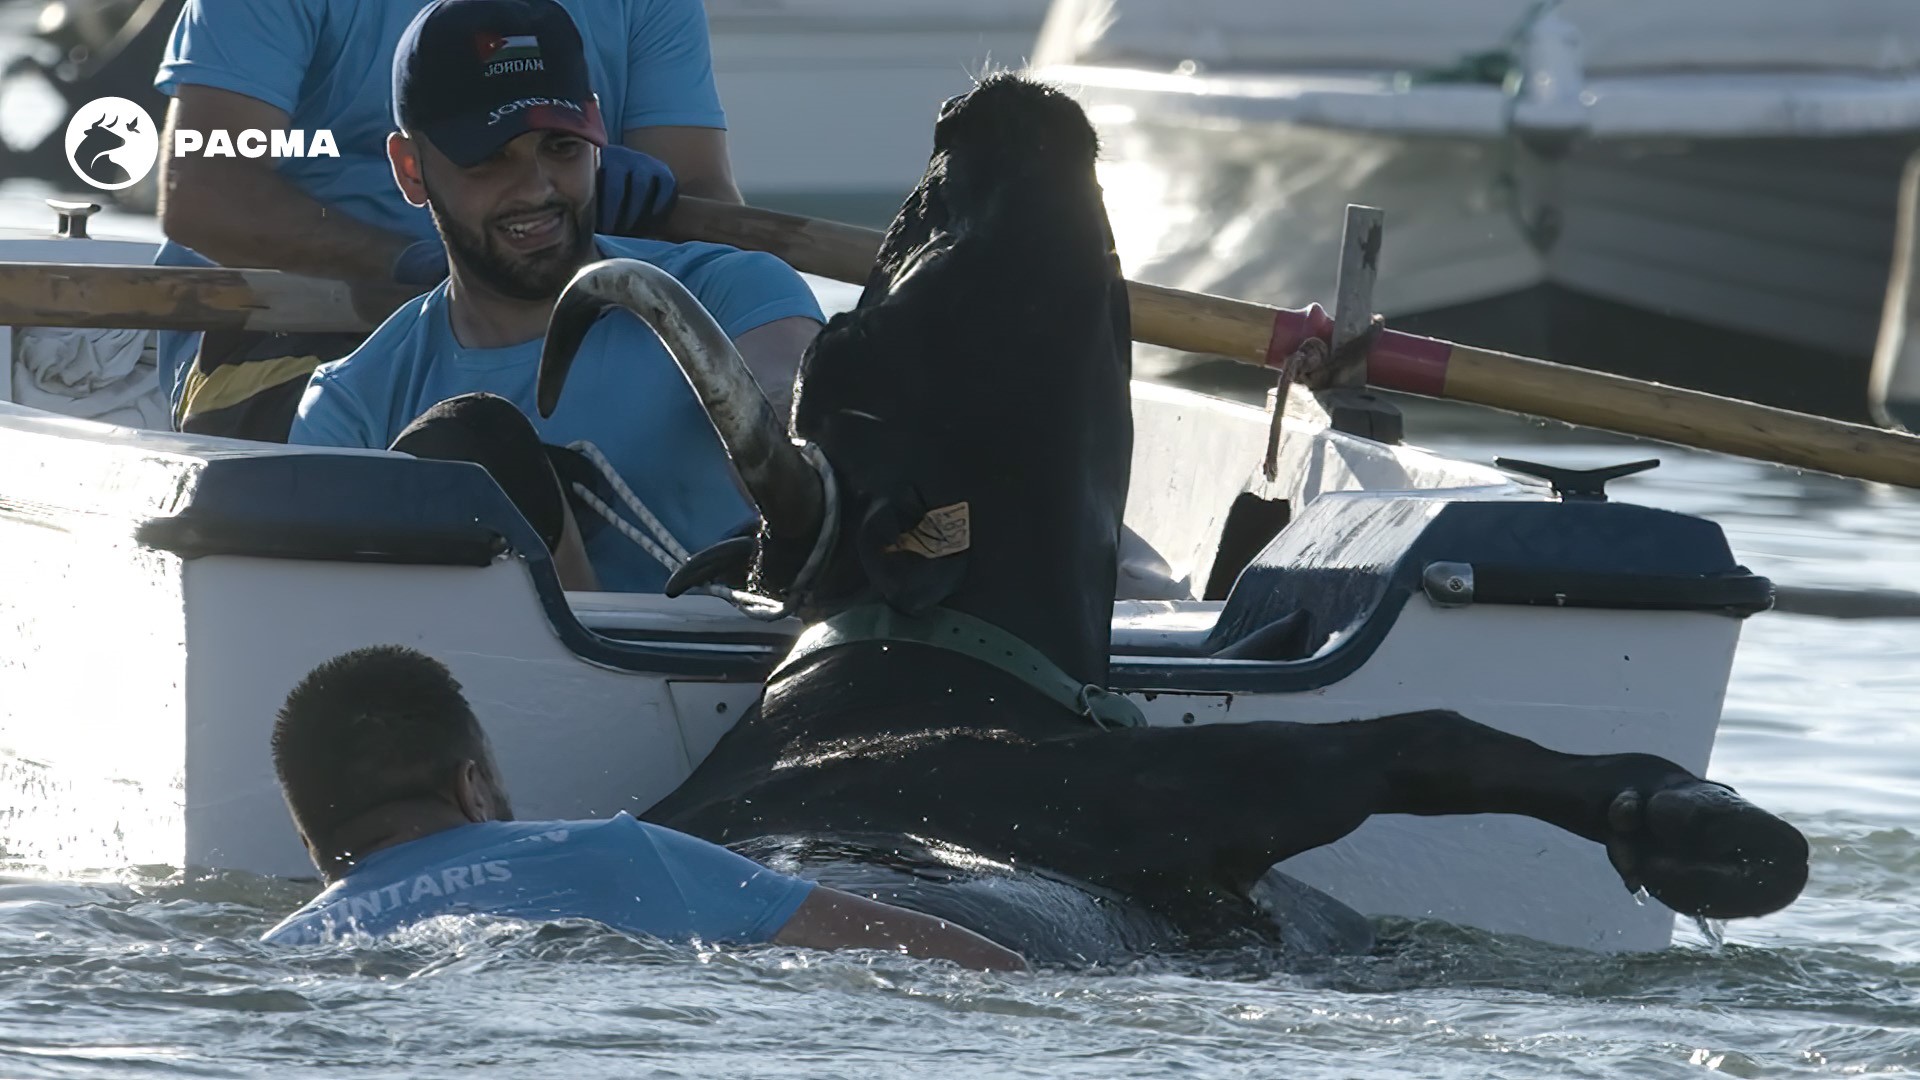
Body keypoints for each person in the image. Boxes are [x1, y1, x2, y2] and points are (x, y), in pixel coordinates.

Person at [286, 0, 822, 594]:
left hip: (763, 671)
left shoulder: (734, 291)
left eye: (562, 148)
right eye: (489, 160)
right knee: (476, 446)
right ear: (411, 169)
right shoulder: (352, 408)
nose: (537, 188)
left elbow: (793, 397)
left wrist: (799, 451)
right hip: (507, 683)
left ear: (596, 135)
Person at [151, 0, 744, 440]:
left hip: (557, 323)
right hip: (296, 338)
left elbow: (700, 195)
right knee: (465, 451)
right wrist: (425, 269)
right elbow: (205, 189)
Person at [261, 644, 1027, 973]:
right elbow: (976, 965)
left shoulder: (290, 947)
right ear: (471, 787)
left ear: (311, 845)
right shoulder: (615, 852)